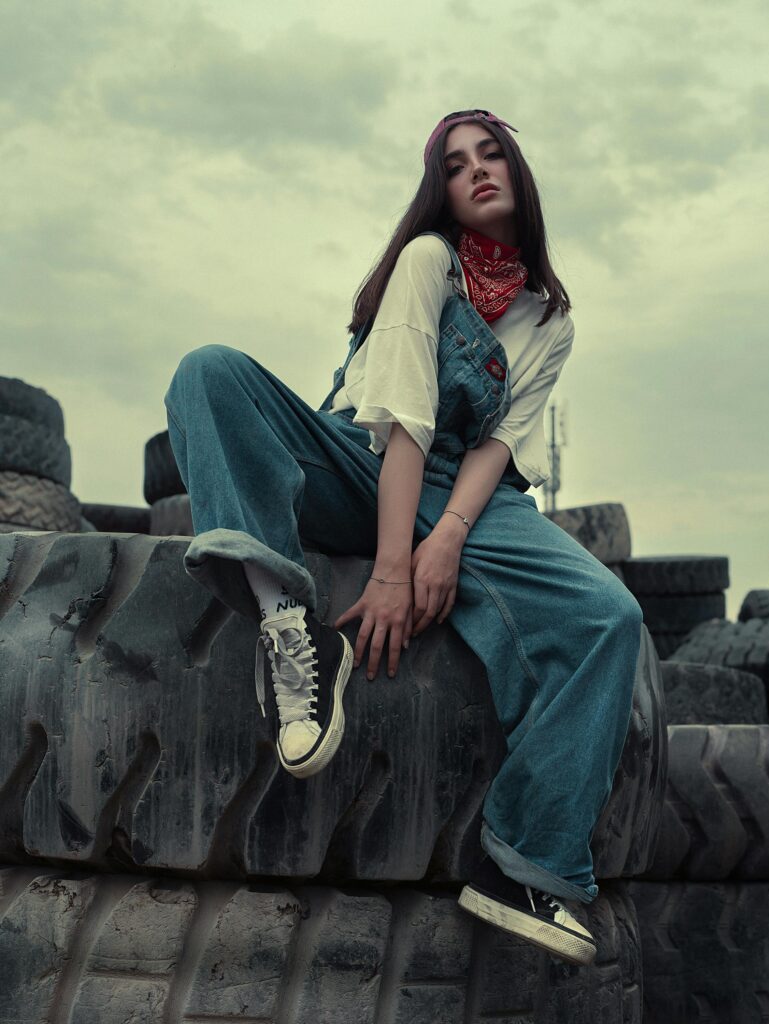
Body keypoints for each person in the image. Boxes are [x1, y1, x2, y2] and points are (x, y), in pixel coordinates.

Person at [163, 108, 644, 967]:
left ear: (516, 171)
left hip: (467, 492)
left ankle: (524, 866)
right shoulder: (427, 261)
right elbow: (401, 419)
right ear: (440, 191)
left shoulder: (548, 320)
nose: (477, 170)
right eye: (455, 165)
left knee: (609, 615)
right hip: (359, 456)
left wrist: (447, 537)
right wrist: (391, 570)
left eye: (490, 154)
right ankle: (290, 628)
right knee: (208, 371)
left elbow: (499, 447)